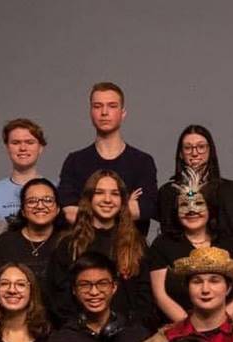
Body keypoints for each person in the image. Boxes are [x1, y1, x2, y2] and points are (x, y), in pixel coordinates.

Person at [47, 169, 154, 329]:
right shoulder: (69, 243)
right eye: (100, 193)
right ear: (89, 198)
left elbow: (145, 295)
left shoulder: (136, 243)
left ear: (122, 201)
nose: (107, 200)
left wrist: (133, 328)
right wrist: (81, 328)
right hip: (80, 334)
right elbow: (58, 296)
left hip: (128, 334)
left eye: (115, 194)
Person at [56, 82, 158, 231]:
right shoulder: (75, 161)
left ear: (123, 113)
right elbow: (70, 213)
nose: (104, 112)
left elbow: (145, 209)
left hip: (131, 250)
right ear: (91, 112)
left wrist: (89, 208)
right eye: (97, 106)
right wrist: (124, 206)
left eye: (112, 106)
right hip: (85, 250)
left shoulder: (142, 162)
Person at [145, 168, 227, 326]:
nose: (191, 210)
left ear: (210, 208)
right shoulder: (162, 245)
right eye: (184, 204)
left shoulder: (229, 242)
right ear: (176, 211)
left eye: (198, 203)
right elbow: (160, 294)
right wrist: (190, 327)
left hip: (226, 329)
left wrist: (218, 325)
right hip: (178, 328)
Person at [155, 124, 233, 248]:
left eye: (201, 147)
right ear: (180, 153)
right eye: (188, 148)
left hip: (221, 257)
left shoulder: (227, 190)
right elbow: (167, 234)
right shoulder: (168, 192)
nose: (194, 153)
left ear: (210, 150)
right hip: (178, 256)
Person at [0, 176, 62, 295]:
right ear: (22, 210)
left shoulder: (68, 243)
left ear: (58, 208)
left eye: (48, 200)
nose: (40, 206)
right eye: (32, 201)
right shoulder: (6, 243)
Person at [0, 118, 47, 224]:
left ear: (40, 147)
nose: (23, 148)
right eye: (16, 143)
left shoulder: (57, 190)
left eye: (29, 142)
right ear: (7, 147)